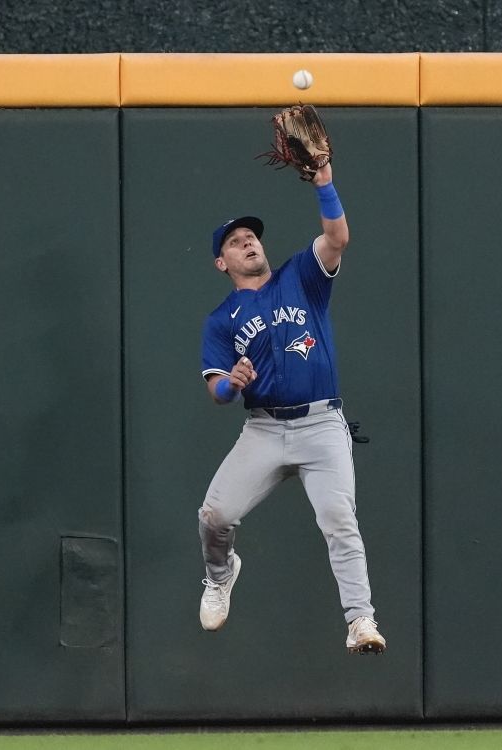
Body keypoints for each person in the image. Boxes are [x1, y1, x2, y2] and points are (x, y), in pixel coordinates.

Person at [197, 162, 385, 654]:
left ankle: (360, 620)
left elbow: (337, 237)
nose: (248, 243)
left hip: (322, 423)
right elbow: (215, 386)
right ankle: (220, 577)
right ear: (222, 262)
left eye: (251, 237)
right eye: (235, 242)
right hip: (263, 429)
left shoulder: (302, 276)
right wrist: (229, 386)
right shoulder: (221, 320)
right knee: (215, 516)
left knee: (339, 518)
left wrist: (324, 180)